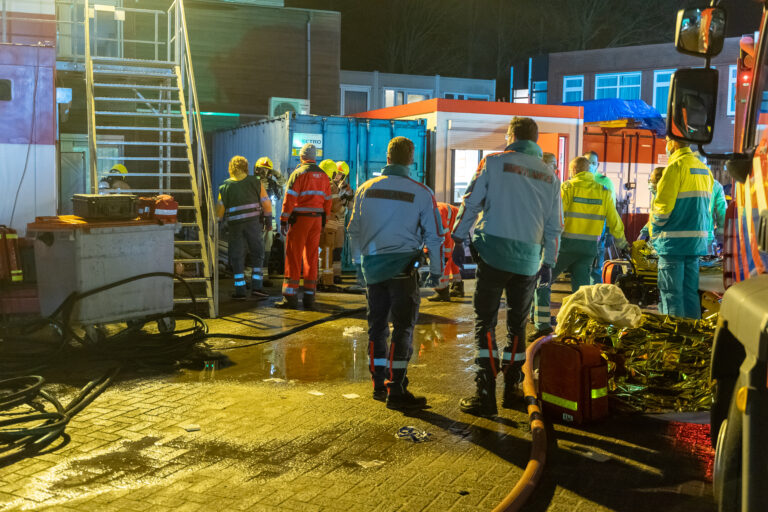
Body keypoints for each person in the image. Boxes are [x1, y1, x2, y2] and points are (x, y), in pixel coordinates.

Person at [451, 117, 563, 417]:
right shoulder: (551, 176)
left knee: (484, 322)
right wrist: (549, 262)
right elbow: (554, 227)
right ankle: (512, 389)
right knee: (518, 325)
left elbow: (471, 201)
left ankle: (484, 394)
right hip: (528, 261)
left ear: (511, 135)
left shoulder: (493, 163)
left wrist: (458, 238)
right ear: (535, 139)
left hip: (493, 254)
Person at [347, 136, 443, 411]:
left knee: (377, 327)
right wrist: (437, 274)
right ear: (410, 160)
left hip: (374, 269)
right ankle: (396, 388)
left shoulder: (366, 189)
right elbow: (434, 237)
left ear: (387, 159)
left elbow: (353, 230)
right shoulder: (421, 192)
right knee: (402, 328)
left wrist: (359, 265)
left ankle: (378, 383)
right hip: (403, 272)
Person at [532, 156, 628, 337]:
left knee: (542, 283)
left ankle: (542, 325)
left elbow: (556, 217)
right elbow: (615, 221)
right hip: (589, 249)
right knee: (581, 289)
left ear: (573, 171)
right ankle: (580, 326)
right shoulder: (603, 191)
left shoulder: (567, 188)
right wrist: (622, 243)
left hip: (565, 246)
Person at [651, 137, 713, 319]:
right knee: (690, 294)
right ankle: (693, 339)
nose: (666, 146)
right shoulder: (704, 170)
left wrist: (654, 230)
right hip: (696, 243)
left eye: (667, 141)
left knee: (672, 295)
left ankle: (675, 342)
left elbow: (662, 208)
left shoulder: (675, 168)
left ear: (674, 144)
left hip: (673, 243)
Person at [276, 144, 332, 309]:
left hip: (300, 220)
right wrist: (324, 221)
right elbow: (328, 201)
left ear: (301, 157)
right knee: (312, 258)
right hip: (316, 221)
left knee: (293, 256)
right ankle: (309, 298)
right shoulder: (324, 176)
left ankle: (290, 298)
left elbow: (290, 199)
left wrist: (283, 220)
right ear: (315, 157)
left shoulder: (298, 174)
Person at [217, 156, 272, 300]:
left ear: (231, 168)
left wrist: (218, 225)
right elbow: (266, 203)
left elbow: (219, 212)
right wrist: (268, 221)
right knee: (257, 254)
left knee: (237, 257)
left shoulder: (224, 187)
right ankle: (257, 288)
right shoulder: (255, 182)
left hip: (235, 227)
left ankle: (240, 291)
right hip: (253, 224)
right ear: (246, 167)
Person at [585, 151, 617, 285]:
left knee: (596, 269)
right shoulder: (577, 181)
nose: (591, 165)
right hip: (582, 232)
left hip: (599, 232)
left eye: (593, 163)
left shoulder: (605, 182)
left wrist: (610, 231)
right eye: (588, 162)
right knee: (583, 268)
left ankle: (596, 298)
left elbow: (611, 209)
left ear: (597, 165)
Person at [253, 157, 284, 287]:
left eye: (267, 169)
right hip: (255, 222)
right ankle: (253, 278)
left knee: (266, 250)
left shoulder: (272, 184)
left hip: (269, 223)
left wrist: (277, 175)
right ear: (256, 169)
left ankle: (264, 276)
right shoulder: (251, 183)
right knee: (254, 250)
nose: (264, 172)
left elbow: (282, 185)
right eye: (262, 169)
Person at [428, 202, 463, 301]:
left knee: (444, 256)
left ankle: (442, 292)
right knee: (449, 256)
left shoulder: (434, 216)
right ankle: (458, 287)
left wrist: (445, 255)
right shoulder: (429, 214)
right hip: (454, 218)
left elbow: (445, 237)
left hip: (455, 221)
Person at [318, 159, 345, 287]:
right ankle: (327, 281)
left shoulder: (315, 182)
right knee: (328, 252)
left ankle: (317, 278)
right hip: (329, 223)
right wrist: (343, 209)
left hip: (316, 223)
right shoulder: (331, 185)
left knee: (319, 252)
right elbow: (337, 207)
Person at [638, 167, 665, 242]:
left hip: (662, 239)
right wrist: (645, 230)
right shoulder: (655, 194)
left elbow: (660, 217)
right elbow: (654, 217)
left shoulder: (664, 196)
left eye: (651, 180)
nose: (649, 183)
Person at [709, 178, 727, 254]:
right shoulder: (714, 184)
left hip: (675, 240)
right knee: (705, 265)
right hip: (705, 239)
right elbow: (722, 213)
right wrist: (721, 238)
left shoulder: (674, 175)